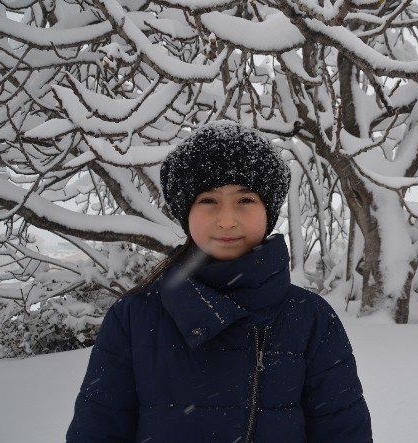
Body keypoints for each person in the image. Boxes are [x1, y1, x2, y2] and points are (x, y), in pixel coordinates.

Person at [66, 121, 373, 442]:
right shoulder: (133, 317)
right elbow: (96, 431)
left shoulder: (310, 318)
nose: (227, 220)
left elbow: (343, 433)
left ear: (268, 211)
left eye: (245, 200)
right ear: (186, 212)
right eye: (209, 201)